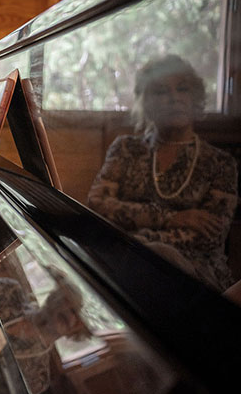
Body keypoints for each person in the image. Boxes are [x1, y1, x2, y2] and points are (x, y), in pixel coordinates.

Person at [88, 55, 238, 291]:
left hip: (194, 276)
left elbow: (208, 237)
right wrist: (172, 218)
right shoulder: (126, 148)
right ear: (146, 102)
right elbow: (98, 205)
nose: (174, 98)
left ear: (196, 98)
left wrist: (139, 242)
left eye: (182, 89)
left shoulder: (220, 163)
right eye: (160, 91)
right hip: (124, 263)